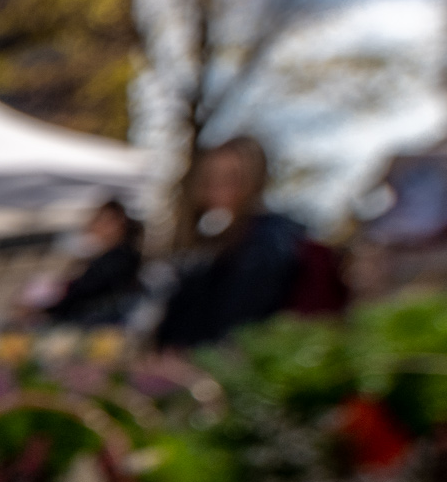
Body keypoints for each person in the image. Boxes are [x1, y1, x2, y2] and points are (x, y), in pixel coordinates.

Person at [156, 137, 308, 350]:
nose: (216, 190)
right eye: (210, 179)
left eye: (231, 179)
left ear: (254, 183)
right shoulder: (210, 241)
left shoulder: (266, 243)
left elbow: (239, 324)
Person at [43, 200, 147, 328]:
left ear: (119, 224)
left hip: (95, 325)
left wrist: (46, 311)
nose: (98, 225)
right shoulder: (104, 256)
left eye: (105, 221)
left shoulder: (118, 259)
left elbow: (84, 291)